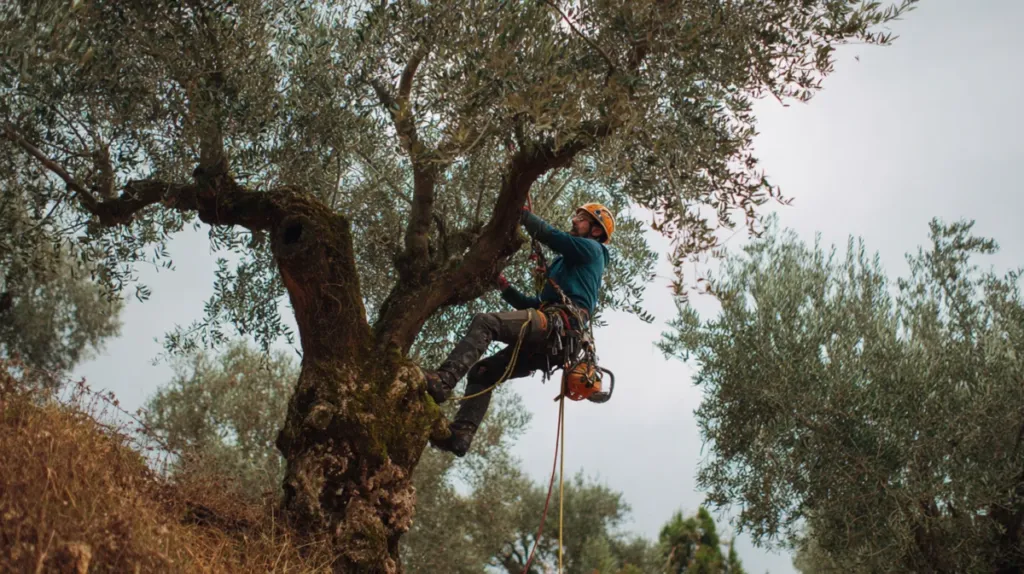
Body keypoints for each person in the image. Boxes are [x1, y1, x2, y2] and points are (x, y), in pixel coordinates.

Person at [422, 202, 615, 456]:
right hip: (550, 338)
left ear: (596, 231)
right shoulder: (563, 265)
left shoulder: (592, 250)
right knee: (483, 373)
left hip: (561, 325)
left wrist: (522, 214)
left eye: (581, 218)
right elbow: (532, 305)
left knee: (486, 322)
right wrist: (503, 285)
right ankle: (461, 435)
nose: (574, 219)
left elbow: (551, 236)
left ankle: (443, 380)